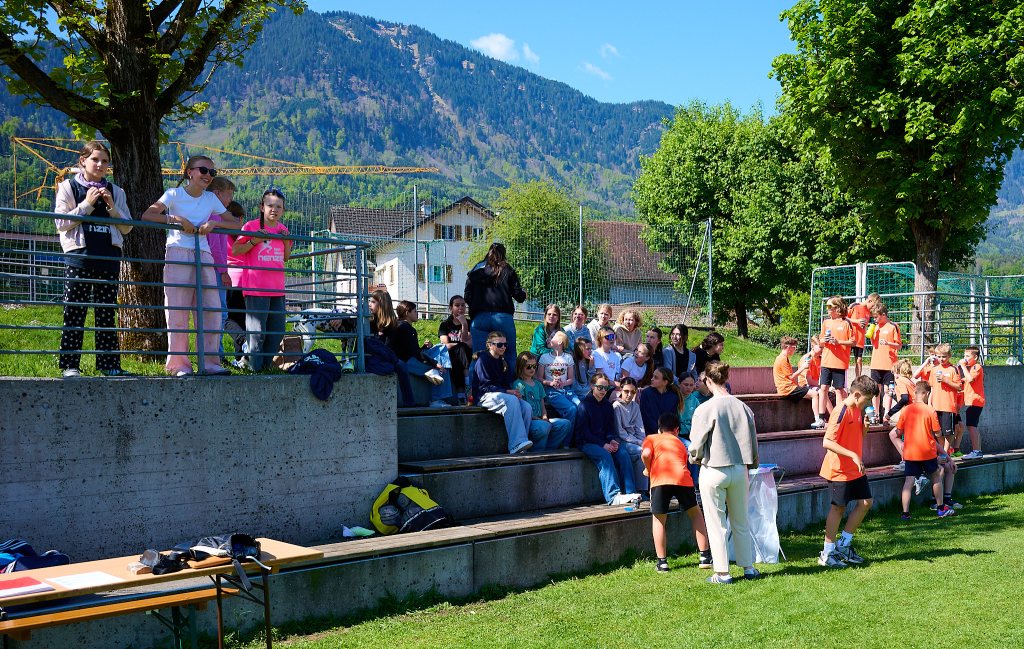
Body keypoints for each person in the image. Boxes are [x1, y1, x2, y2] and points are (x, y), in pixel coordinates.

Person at [141, 155, 239, 376]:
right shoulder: (174, 194)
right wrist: (176, 220)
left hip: (204, 254)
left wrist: (214, 223)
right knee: (177, 310)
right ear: (190, 172)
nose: (208, 175)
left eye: (212, 172)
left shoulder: (211, 199)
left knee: (211, 309)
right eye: (203, 170)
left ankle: (210, 363)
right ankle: (179, 365)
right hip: (178, 252)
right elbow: (149, 214)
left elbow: (235, 223)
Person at [54, 140, 134, 378]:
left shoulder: (116, 191)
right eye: (95, 159)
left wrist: (112, 208)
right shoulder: (68, 187)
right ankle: (70, 365)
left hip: (109, 258)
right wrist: (87, 204)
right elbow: (61, 223)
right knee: (74, 311)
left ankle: (109, 365)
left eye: (104, 161)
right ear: (83, 161)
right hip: (79, 257)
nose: (100, 165)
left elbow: (127, 228)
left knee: (106, 314)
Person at [689, 361, 760, 584]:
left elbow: (696, 445)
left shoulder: (704, 409)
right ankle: (748, 567)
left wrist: (695, 458)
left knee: (716, 522)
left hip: (713, 468)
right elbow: (753, 441)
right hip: (739, 468)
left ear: (708, 381)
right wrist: (752, 464)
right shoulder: (743, 407)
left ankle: (722, 572)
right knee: (741, 520)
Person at [817, 375, 879, 568]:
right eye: (867, 399)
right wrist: (852, 455)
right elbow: (827, 442)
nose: (869, 404)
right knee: (838, 508)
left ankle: (844, 545)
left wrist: (865, 428)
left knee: (866, 502)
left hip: (855, 468)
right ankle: (827, 554)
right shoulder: (841, 410)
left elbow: (856, 436)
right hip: (839, 469)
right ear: (857, 394)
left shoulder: (858, 410)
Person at [231, 188, 292, 373]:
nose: (274, 209)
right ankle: (255, 370)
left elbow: (286, 257)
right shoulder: (250, 226)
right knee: (257, 332)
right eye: (270, 205)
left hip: (277, 288)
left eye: (279, 207)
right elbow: (236, 250)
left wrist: (286, 241)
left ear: (283, 210)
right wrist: (254, 241)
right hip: (256, 288)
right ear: (262, 207)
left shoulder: (283, 229)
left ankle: (264, 368)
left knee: (277, 331)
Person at [643, 411, 713, 573]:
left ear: (659, 429)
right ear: (676, 430)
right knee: (695, 514)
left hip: (660, 480)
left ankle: (662, 562)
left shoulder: (651, 438)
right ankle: (705, 556)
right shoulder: (680, 442)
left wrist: (648, 469)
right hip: (682, 479)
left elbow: (646, 454)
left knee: (659, 519)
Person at [890, 381, 956, 519]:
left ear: (915, 393)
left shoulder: (906, 410)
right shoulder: (930, 410)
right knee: (936, 477)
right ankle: (940, 508)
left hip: (910, 452)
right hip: (927, 452)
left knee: (908, 482)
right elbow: (937, 433)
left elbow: (899, 430)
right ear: (926, 393)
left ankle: (905, 513)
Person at [574, 372, 640, 506]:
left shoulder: (607, 405)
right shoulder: (584, 405)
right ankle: (613, 495)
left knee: (623, 454)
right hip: (587, 442)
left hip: (604, 442)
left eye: (606, 388)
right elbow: (584, 432)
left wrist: (611, 440)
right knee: (605, 456)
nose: (603, 391)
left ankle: (630, 492)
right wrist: (603, 444)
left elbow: (609, 429)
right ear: (592, 386)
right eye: (600, 387)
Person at [465, 242, 527, 368]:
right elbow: (518, 296)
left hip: (479, 318)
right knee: (509, 355)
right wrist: (524, 293)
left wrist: (477, 304)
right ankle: (510, 380)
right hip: (502, 318)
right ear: (504, 254)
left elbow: (467, 296)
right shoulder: (508, 269)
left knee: (477, 356)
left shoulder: (477, 268)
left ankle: (475, 381)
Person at [473, 331, 534, 455]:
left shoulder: (502, 361)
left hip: (500, 395)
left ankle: (522, 447)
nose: (503, 347)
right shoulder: (483, 360)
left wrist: (513, 392)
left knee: (526, 407)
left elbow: (506, 384)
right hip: (484, 396)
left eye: (505, 344)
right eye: (499, 344)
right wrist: (507, 392)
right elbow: (485, 386)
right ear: (490, 345)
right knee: (511, 400)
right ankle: (516, 444)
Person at [390, 301, 453, 408]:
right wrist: (435, 364)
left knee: (441, 348)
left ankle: (439, 395)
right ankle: (436, 399)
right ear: (407, 313)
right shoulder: (407, 328)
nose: (417, 313)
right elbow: (416, 354)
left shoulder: (399, 325)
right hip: (407, 362)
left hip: (406, 359)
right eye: (415, 311)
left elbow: (410, 349)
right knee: (440, 369)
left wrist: (424, 347)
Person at [513, 352, 571, 451]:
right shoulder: (519, 384)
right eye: (528, 366)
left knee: (565, 424)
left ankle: (549, 450)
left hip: (541, 420)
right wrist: (539, 419)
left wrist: (544, 417)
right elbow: (522, 408)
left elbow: (542, 405)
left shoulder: (538, 384)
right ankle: (537, 452)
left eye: (534, 366)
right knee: (544, 426)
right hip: (529, 421)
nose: (532, 369)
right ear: (521, 367)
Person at [207, 176, 236, 364]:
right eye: (229, 195)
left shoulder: (213, 216)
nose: (230, 200)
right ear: (217, 194)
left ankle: (217, 353)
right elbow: (216, 248)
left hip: (213, 268)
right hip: (216, 270)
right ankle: (217, 355)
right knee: (219, 312)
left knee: (216, 313)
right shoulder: (216, 217)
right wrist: (224, 271)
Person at [817, 296, 854, 427]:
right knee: (823, 388)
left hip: (840, 362)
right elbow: (821, 341)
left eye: (829, 307)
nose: (827, 309)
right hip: (826, 361)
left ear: (837, 308)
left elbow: (853, 341)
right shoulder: (826, 322)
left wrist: (839, 342)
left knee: (839, 390)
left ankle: (839, 418)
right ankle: (821, 418)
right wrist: (824, 341)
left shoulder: (846, 323)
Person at [774, 336, 821, 427]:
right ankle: (818, 420)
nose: (795, 350)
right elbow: (791, 377)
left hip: (787, 387)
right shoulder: (782, 359)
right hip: (787, 389)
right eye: (794, 348)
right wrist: (803, 367)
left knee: (814, 394)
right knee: (815, 394)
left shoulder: (782, 357)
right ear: (788, 347)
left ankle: (820, 419)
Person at [613, 377, 649, 496]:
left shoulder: (635, 406)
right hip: (621, 441)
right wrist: (639, 443)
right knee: (641, 451)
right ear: (620, 390)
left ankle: (646, 488)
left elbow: (640, 428)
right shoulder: (616, 406)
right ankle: (641, 489)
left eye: (633, 392)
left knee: (648, 450)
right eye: (626, 391)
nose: (629, 395)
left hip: (634, 441)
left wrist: (643, 441)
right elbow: (620, 432)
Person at [928, 343, 963, 456]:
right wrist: (929, 403)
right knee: (937, 432)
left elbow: (959, 387)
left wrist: (946, 380)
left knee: (948, 431)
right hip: (936, 405)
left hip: (948, 406)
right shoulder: (934, 370)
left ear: (949, 356)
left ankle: (946, 452)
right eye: (939, 356)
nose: (941, 359)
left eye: (944, 356)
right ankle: (944, 451)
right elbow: (932, 388)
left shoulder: (953, 369)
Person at [438, 295, 473, 404]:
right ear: (451, 308)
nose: (460, 308)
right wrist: (459, 344)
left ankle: (461, 395)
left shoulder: (470, 323)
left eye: (463, 305)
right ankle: (467, 383)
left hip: (467, 353)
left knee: (462, 349)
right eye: (457, 305)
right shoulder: (445, 325)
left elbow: (470, 344)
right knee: (459, 350)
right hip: (452, 355)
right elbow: (445, 345)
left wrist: (464, 324)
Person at [538, 330, 578, 425]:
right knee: (571, 409)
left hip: (567, 390)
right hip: (551, 391)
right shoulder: (544, 357)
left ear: (560, 342)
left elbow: (571, 379)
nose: (548, 339)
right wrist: (550, 383)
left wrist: (563, 383)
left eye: (552, 337)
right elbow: (538, 377)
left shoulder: (568, 357)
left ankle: (577, 433)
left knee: (581, 406)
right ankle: (567, 433)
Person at [868, 305, 901, 414]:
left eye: (876, 317)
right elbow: (874, 344)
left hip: (889, 364)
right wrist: (871, 336)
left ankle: (887, 413)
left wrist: (888, 343)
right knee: (876, 390)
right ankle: (876, 413)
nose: (874, 319)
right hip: (876, 363)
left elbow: (899, 345)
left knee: (888, 390)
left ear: (883, 315)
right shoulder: (875, 327)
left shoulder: (893, 326)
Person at [638, 367, 683, 437]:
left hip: (667, 434)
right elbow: (646, 417)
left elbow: (672, 419)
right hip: (650, 434)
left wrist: (668, 433)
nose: (652, 379)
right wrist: (661, 432)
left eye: (656, 378)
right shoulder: (646, 393)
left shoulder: (673, 397)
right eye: (653, 376)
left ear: (665, 382)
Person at [958, 346, 986, 459]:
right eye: (964, 356)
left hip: (976, 401)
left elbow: (970, 379)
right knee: (973, 426)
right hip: (971, 401)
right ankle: (978, 451)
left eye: (968, 356)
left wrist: (963, 366)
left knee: (971, 426)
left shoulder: (976, 367)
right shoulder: (969, 369)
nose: (965, 358)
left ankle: (976, 451)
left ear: (975, 357)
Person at [570, 336, 596, 404]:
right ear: (579, 349)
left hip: (589, 392)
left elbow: (592, 381)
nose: (590, 351)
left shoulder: (589, 361)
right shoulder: (573, 363)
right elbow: (575, 386)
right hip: (578, 394)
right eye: (588, 349)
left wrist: (591, 367)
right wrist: (589, 391)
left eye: (591, 349)